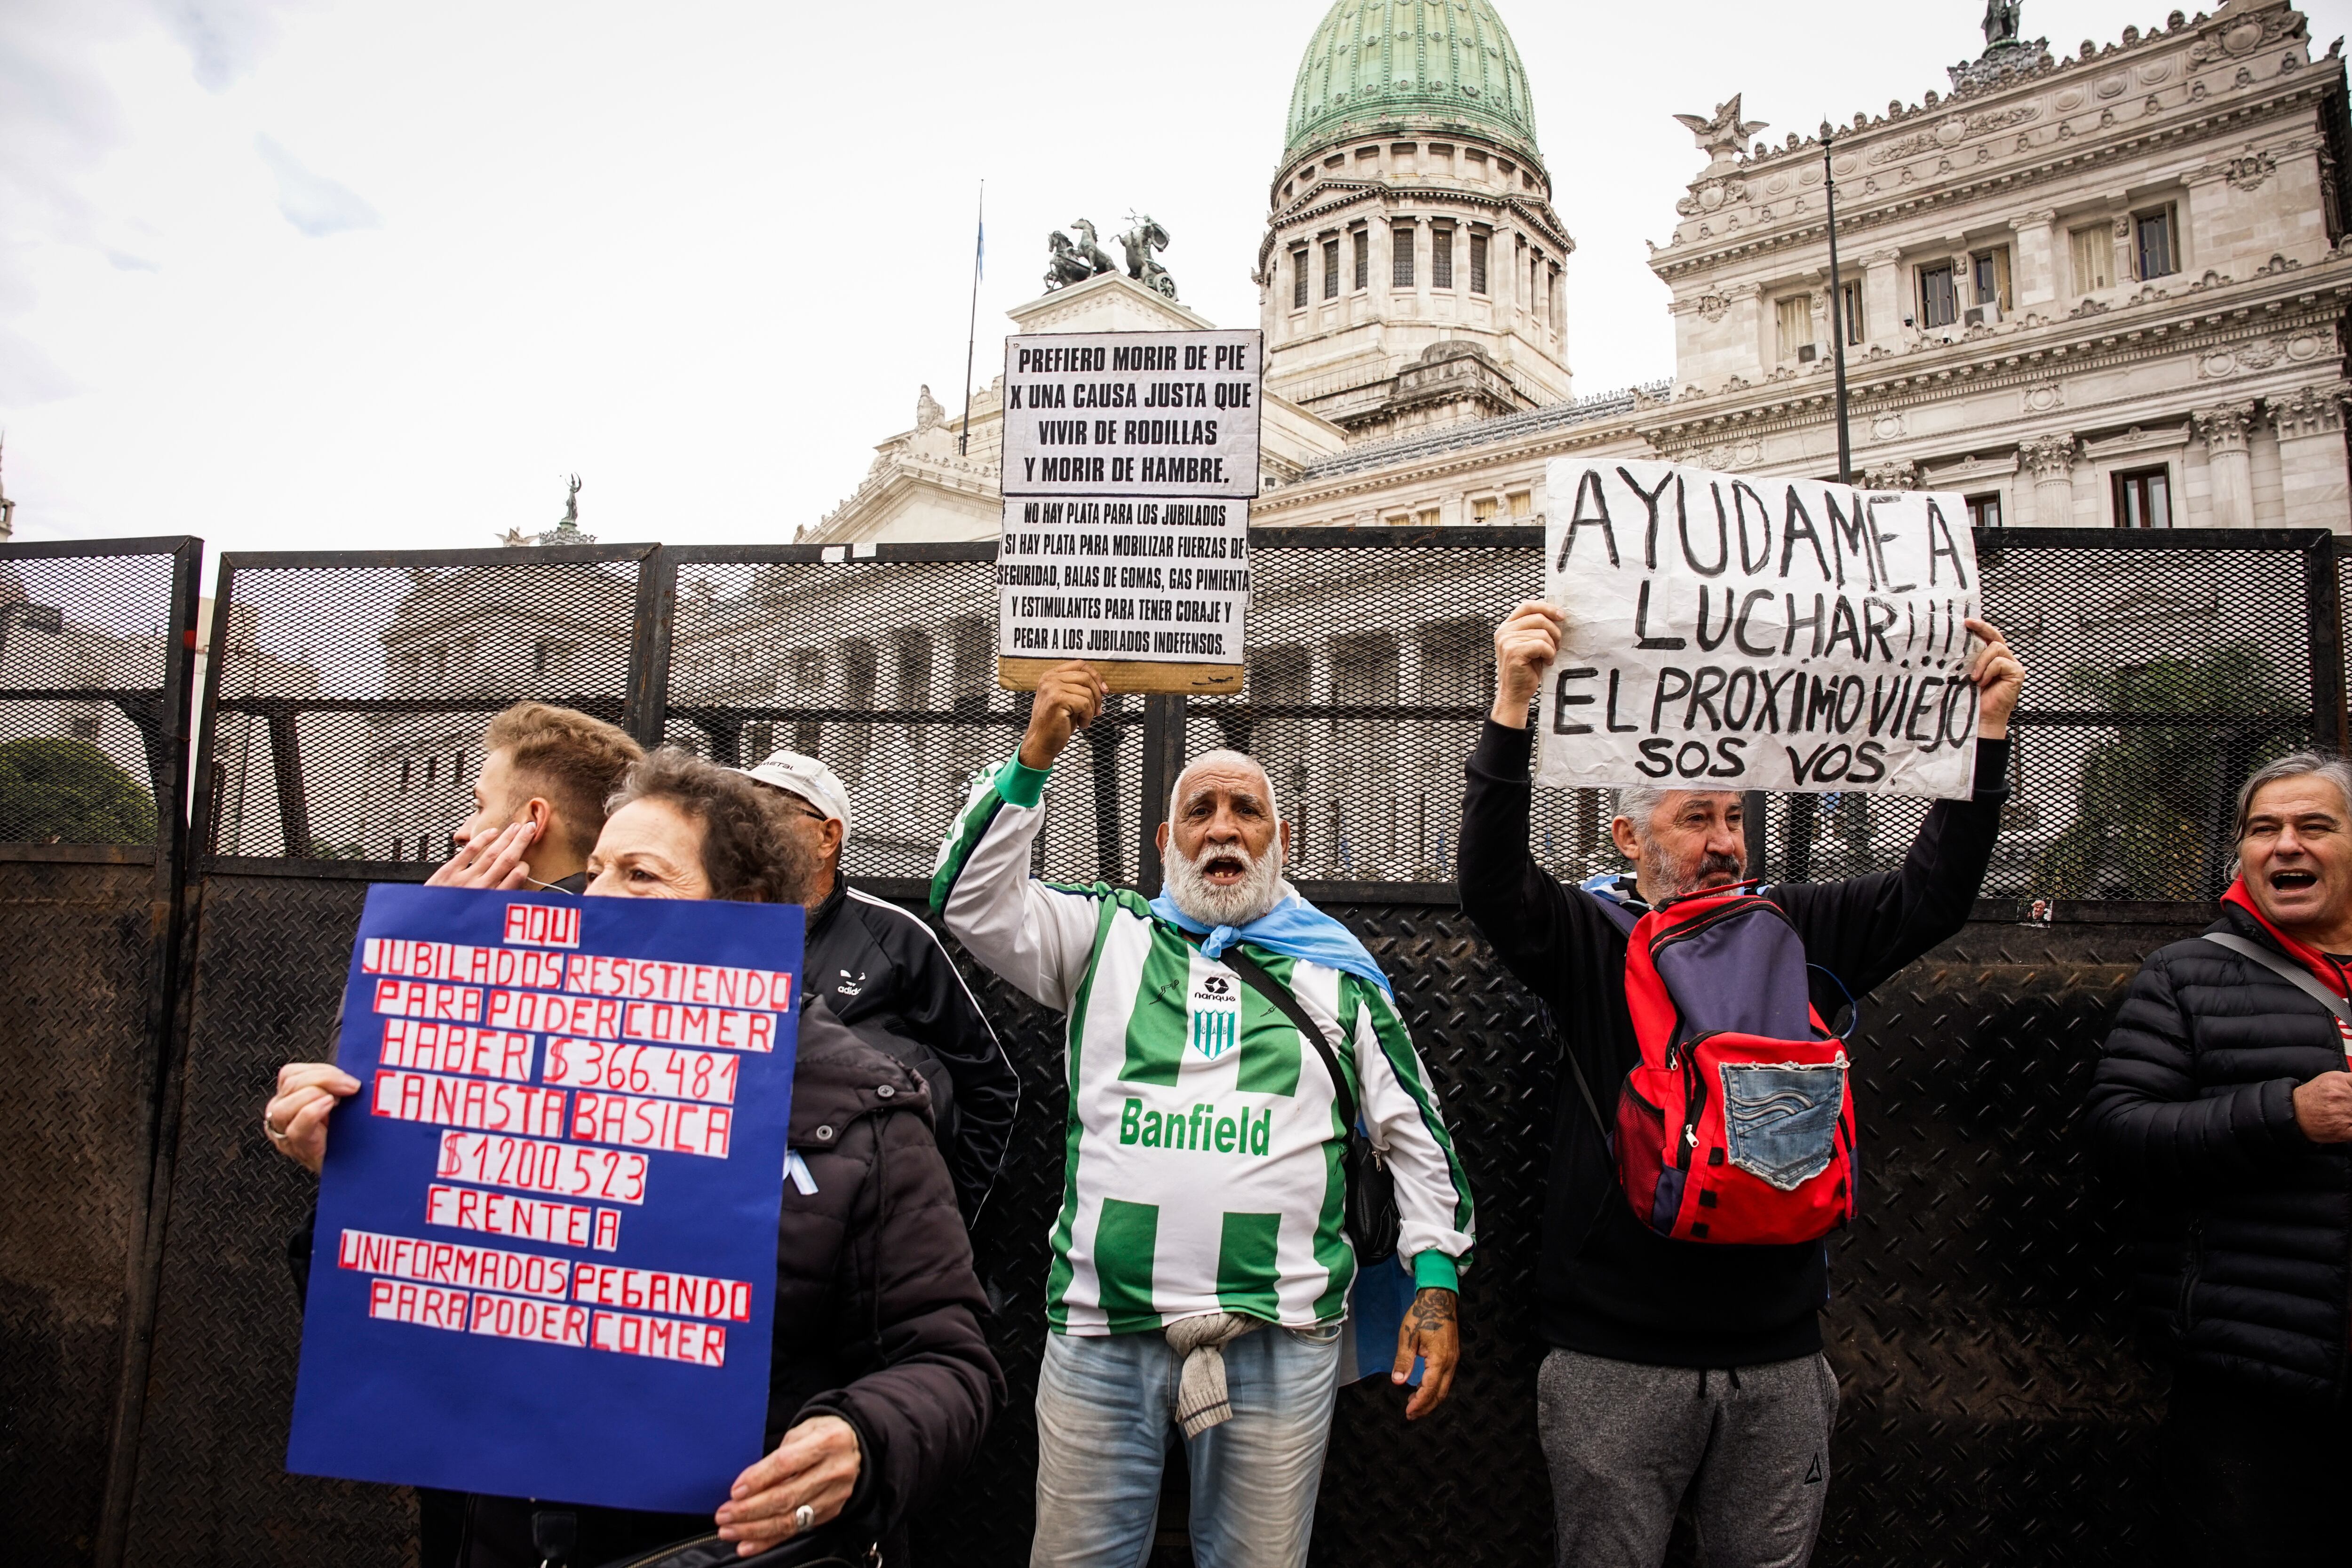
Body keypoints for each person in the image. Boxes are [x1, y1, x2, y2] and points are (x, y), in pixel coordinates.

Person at [263, 748, 1001, 1566]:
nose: (599, 899)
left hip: (720, 1544)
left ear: (747, 908)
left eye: (641, 875)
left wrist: (861, 1439)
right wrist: (362, 1176)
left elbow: (949, 1362)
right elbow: (409, 1324)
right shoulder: (518, 1073)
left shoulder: (857, 1104)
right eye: (597, 872)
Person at [1457, 601, 2024, 1568]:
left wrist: (1988, 738)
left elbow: (1932, 896)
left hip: (1778, 1355)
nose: (1724, 841)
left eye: (1732, 817)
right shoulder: (1590, 941)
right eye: (1694, 820)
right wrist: (1513, 706)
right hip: (1615, 1358)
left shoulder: (1796, 928)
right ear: (1628, 837)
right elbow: (1491, 883)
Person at [930, 660, 1475, 1568]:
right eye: (1201, 811)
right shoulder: (1105, 937)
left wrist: (1437, 1280)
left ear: (1280, 839)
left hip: (1280, 1338)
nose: (1223, 827)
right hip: (1104, 1331)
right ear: (1166, 840)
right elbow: (969, 901)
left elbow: (1415, 1137)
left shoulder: (1338, 976)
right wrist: (1034, 759)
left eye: (1246, 810)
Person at [2085, 753, 2352, 1567]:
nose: (2285, 844)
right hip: (2253, 1380)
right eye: (2263, 829)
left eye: (2314, 826)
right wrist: (2287, 1116)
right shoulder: (2187, 976)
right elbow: (2122, 1134)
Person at [738, 747, 1018, 1224]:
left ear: (827, 837)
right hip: (741, 1214)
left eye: (770, 810)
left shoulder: (897, 938)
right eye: (744, 810)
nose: (748, 827)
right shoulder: (716, 927)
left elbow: (990, 1086)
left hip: (867, 1224)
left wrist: (945, 1220)